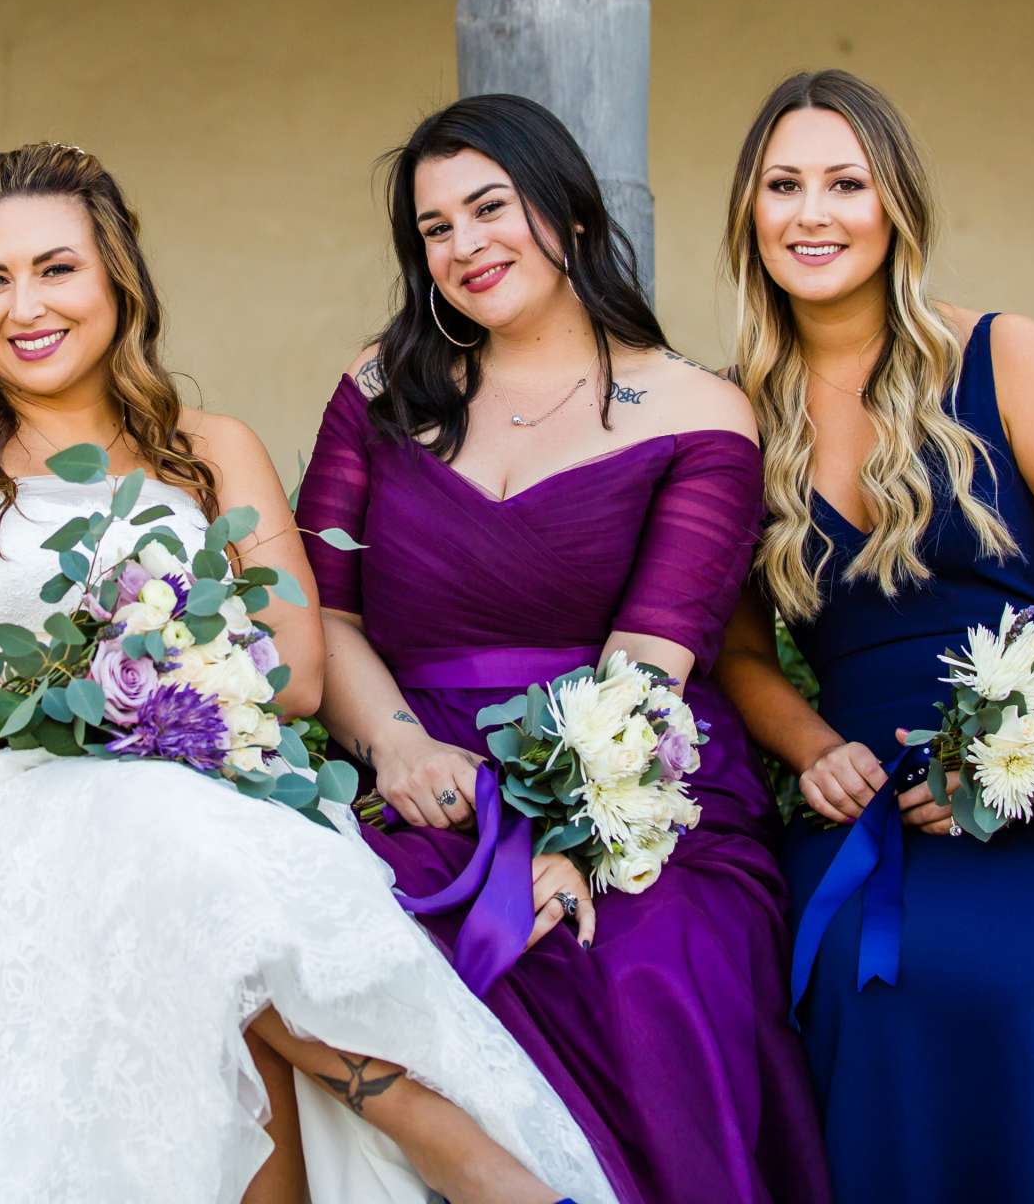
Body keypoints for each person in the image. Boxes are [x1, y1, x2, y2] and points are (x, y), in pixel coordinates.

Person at [0, 143, 608, 1204]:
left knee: (151, 834)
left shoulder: (210, 448)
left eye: (54, 269)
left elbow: (298, 670)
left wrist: (128, 688)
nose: (20, 306)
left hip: (184, 793)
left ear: (118, 281)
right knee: (149, 846)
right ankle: (417, 1116)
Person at [292, 94, 830, 1204]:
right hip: (417, 765)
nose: (465, 245)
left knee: (641, 969)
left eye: (490, 207)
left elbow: (652, 662)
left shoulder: (697, 412)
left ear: (571, 214)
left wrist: (576, 841)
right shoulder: (382, 390)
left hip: (637, 787)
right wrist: (394, 748)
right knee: (317, 934)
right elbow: (325, 612)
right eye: (435, 228)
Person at [713, 70, 1034, 1204]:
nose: (812, 213)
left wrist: (1017, 743)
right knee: (860, 989)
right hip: (866, 794)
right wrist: (812, 748)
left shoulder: (1001, 354)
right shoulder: (728, 413)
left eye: (845, 183)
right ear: (749, 214)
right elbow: (734, 651)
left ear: (896, 208)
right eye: (784, 185)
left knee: (1010, 978)